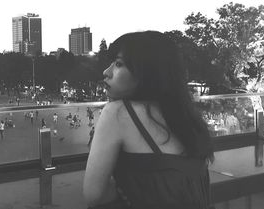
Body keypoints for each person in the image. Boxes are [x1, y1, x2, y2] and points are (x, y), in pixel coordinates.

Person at [83, 31, 214, 209]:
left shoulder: (117, 113)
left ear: (147, 73)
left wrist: (132, 190)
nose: (106, 72)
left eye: (119, 64)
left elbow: (93, 195)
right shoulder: (187, 117)